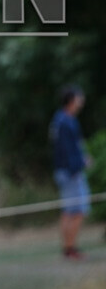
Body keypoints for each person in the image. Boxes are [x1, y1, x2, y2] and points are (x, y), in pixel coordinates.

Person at [49, 84, 91, 260]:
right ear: (71, 100)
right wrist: (79, 164)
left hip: (64, 170)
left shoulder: (61, 120)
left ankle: (68, 248)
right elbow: (66, 150)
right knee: (79, 209)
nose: (81, 101)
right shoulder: (65, 122)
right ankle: (70, 248)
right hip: (70, 172)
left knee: (69, 210)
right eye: (79, 98)